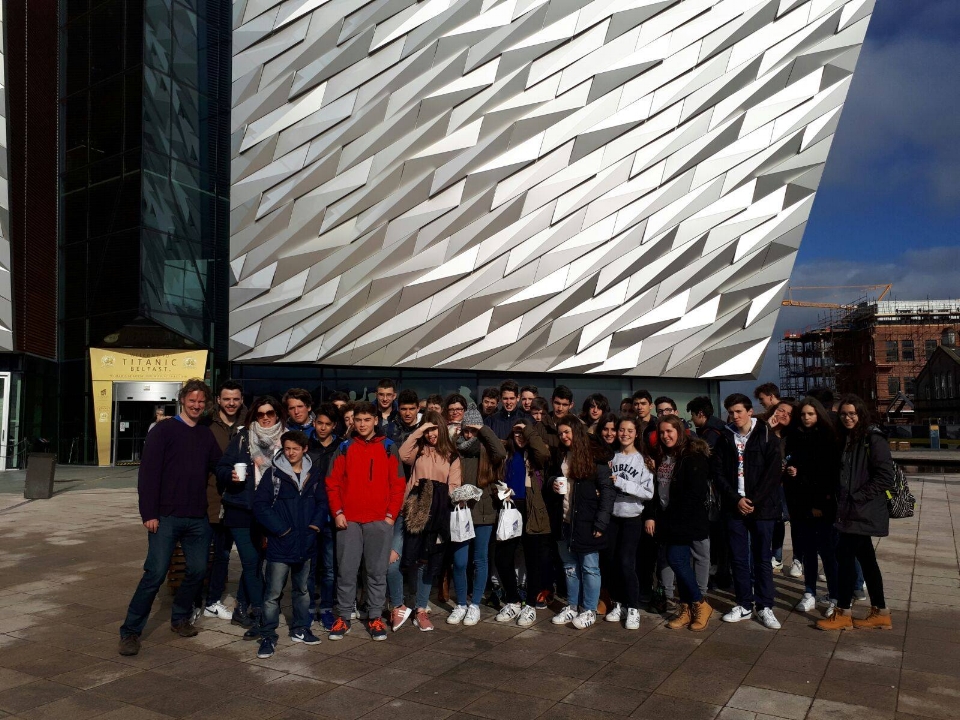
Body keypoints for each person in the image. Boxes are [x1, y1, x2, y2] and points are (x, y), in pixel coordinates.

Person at [118, 380, 223, 657]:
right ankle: (130, 631)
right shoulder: (163, 431)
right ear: (182, 400)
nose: (197, 405)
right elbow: (148, 475)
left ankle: (180, 618)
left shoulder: (204, 435)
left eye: (201, 401)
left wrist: (235, 473)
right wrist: (148, 513)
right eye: (192, 400)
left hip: (196, 517)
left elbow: (219, 465)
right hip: (165, 517)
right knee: (155, 573)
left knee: (198, 570)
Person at [326, 401, 406, 642]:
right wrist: (337, 512)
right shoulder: (344, 448)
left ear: (375, 421)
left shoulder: (389, 448)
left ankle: (374, 617)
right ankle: (343, 617)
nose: (362, 424)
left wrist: (391, 516)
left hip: (379, 522)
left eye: (366, 420)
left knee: (376, 573)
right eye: (358, 420)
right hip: (348, 521)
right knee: (347, 572)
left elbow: (398, 485)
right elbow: (332, 483)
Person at [817, 394, 895, 631]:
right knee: (867, 561)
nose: (848, 417)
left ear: (860, 414)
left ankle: (843, 612)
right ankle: (880, 612)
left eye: (852, 413)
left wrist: (856, 496)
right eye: (843, 414)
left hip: (862, 511)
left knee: (845, 557)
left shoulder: (873, 438)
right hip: (851, 511)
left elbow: (885, 477)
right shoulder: (848, 438)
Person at [216, 396, 285, 640]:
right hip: (240, 510)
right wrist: (231, 475)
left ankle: (242, 608)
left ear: (277, 415)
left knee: (259, 564)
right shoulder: (243, 438)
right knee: (251, 562)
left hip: (269, 513)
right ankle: (260, 615)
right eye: (260, 414)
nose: (265, 417)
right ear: (254, 416)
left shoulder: (285, 441)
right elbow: (221, 467)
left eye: (270, 413)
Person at [252, 431, 326, 658]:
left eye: (295, 448)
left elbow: (323, 503)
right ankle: (268, 635)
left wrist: (314, 527)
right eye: (287, 448)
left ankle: (301, 628)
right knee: (273, 593)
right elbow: (260, 506)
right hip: (280, 543)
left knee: (303, 590)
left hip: (306, 542)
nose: (291, 452)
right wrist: (281, 530)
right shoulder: (274, 474)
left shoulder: (313, 473)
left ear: (304, 449)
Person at [714, 393, 782, 629]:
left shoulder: (766, 436)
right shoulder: (725, 437)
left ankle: (765, 606)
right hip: (735, 508)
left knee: (763, 559)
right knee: (739, 558)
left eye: (738, 411)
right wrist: (736, 500)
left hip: (762, 508)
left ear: (750, 411)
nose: (734, 416)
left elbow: (773, 474)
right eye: (731, 412)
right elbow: (719, 474)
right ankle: (744, 604)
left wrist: (753, 500)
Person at [395, 411, 462, 632]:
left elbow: (454, 487)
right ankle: (403, 603)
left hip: (437, 516)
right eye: (429, 429)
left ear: (442, 429)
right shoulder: (419, 449)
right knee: (404, 559)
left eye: (435, 428)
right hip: (412, 513)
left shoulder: (452, 455)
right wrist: (420, 430)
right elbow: (402, 454)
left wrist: (434, 494)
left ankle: (421, 608)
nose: (432, 433)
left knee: (426, 563)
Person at [647, 415, 713, 632]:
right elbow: (660, 490)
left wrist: (676, 519)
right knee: (679, 561)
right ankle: (687, 608)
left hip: (685, 521)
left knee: (676, 559)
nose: (666, 436)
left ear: (680, 431)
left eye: (670, 431)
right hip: (668, 519)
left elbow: (695, 493)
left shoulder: (692, 456)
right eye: (662, 432)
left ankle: (700, 605)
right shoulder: (665, 456)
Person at [551, 419, 615, 630]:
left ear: (576, 432)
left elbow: (607, 491)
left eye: (567, 432)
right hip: (565, 520)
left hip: (587, 521)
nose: (564, 437)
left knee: (589, 567)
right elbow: (554, 476)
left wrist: (601, 522)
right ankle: (572, 605)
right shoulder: (561, 454)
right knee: (570, 567)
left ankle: (589, 609)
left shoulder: (594, 457)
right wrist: (553, 481)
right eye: (560, 433)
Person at [447, 405, 505, 626]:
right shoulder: (458, 448)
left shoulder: (486, 448)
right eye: (466, 430)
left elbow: (500, 452)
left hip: (484, 510)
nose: (469, 434)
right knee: (460, 561)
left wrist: (483, 429)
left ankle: (474, 606)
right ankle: (461, 603)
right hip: (461, 510)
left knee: (480, 559)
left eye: (473, 430)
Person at [494, 420, 553, 627]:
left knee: (533, 559)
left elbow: (544, 454)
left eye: (523, 434)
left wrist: (527, 430)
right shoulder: (507, 453)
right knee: (502, 557)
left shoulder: (536, 454)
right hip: (510, 507)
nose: (519, 437)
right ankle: (512, 600)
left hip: (532, 509)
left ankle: (530, 605)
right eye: (516, 433)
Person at [784, 397, 840, 616]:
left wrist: (817, 501)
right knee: (807, 551)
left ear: (818, 415)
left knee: (828, 553)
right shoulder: (796, 436)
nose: (806, 418)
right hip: (800, 503)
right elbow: (794, 462)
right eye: (804, 414)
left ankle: (834, 595)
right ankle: (809, 592)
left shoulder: (827, 437)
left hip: (822, 504)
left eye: (811, 414)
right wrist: (791, 470)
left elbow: (827, 474)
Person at [201, 380, 245, 623]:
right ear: (218, 399)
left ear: (241, 400)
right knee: (204, 554)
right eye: (226, 399)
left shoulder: (249, 423)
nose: (231, 403)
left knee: (224, 553)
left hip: (238, 500)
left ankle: (214, 599)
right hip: (211, 498)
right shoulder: (206, 424)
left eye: (235, 399)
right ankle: (202, 600)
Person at [604, 416, 654, 630]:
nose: (624, 434)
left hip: (632, 517)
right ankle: (619, 603)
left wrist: (623, 484)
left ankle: (633, 607)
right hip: (612, 517)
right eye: (621, 430)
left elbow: (648, 493)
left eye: (629, 430)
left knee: (627, 562)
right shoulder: (611, 458)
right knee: (612, 561)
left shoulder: (643, 460)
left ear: (636, 434)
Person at [687, 396, 730, 589]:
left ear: (701, 414)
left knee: (716, 533)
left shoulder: (711, 432)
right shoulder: (719, 428)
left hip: (716, 488)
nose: (693, 420)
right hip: (720, 487)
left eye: (693, 415)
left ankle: (719, 573)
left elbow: (706, 455)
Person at [308, 404, 342, 630]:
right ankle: (309, 607)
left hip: (331, 514)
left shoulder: (341, 447)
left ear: (334, 426)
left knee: (329, 566)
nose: (322, 427)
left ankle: (327, 608)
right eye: (319, 423)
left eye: (327, 424)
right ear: (314, 423)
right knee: (309, 565)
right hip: (309, 514)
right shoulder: (306, 445)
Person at [768, 400, 796, 573]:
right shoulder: (763, 432)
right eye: (780, 410)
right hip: (770, 485)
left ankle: (797, 559)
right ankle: (776, 557)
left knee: (789, 521)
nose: (783, 414)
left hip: (788, 485)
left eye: (789, 413)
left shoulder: (792, 436)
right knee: (775, 522)